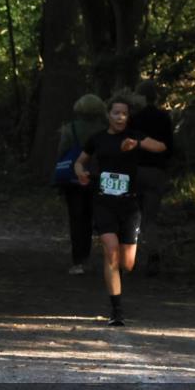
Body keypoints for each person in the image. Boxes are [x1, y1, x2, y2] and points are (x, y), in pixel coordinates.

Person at [74, 91, 167, 326]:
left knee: (127, 264)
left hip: (129, 204)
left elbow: (160, 147)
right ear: (108, 115)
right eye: (116, 113)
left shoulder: (134, 137)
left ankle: (116, 274)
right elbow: (79, 161)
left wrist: (138, 144)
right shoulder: (97, 139)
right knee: (111, 250)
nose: (120, 117)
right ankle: (116, 310)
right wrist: (81, 173)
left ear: (128, 117)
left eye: (124, 114)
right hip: (104, 201)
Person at [56, 94, 108, 275]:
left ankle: (79, 260)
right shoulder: (106, 128)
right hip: (99, 177)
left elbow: (62, 152)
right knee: (101, 217)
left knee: (78, 219)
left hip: (74, 179)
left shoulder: (70, 129)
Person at [130, 79, 174, 276]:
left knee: (133, 215)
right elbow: (170, 147)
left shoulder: (133, 118)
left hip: (136, 170)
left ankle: (129, 257)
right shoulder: (164, 118)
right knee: (150, 218)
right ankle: (153, 253)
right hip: (156, 171)